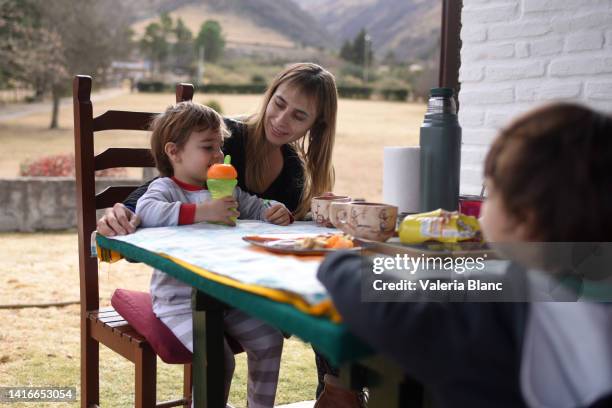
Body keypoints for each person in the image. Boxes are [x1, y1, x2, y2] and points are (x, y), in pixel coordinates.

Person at [318, 103, 612, 408]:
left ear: (523, 219)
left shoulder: (495, 309)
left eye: (492, 190)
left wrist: (339, 260)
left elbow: (388, 306)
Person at [96, 63, 358, 404]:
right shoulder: (224, 136)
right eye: (278, 104)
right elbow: (163, 190)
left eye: (298, 116)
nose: (281, 120)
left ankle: (338, 389)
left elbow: (259, 208)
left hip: (245, 284)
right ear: (269, 96)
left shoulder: (293, 168)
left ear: (315, 124)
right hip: (191, 291)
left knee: (336, 285)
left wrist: (280, 211)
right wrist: (123, 211)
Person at [137, 101, 292, 407]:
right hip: (178, 302)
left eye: (220, 146)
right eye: (208, 147)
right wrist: (201, 211)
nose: (219, 155)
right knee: (219, 360)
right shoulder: (166, 188)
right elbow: (147, 211)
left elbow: (252, 205)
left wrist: (271, 210)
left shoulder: (224, 189)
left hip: (225, 297)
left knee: (269, 337)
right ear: (174, 152)